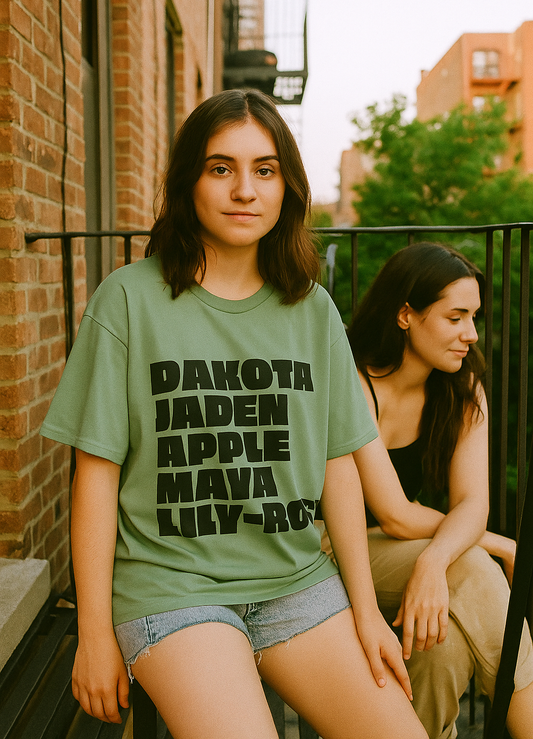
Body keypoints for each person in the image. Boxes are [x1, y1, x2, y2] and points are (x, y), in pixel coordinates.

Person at [40, 89, 429, 739]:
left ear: (287, 188)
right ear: (188, 181)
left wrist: (363, 611)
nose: (244, 190)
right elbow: (96, 475)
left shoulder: (312, 310)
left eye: (264, 170)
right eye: (221, 167)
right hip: (173, 589)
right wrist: (93, 631)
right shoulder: (128, 301)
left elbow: (337, 465)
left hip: (298, 584)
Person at [345, 242, 533, 739]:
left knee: (439, 645)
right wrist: (494, 544)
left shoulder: (462, 389)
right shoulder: (352, 381)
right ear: (406, 314)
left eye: (473, 317)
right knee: (473, 568)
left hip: (399, 551)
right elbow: (394, 513)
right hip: (326, 547)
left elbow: (473, 502)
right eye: (455, 317)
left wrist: (432, 560)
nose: (471, 334)